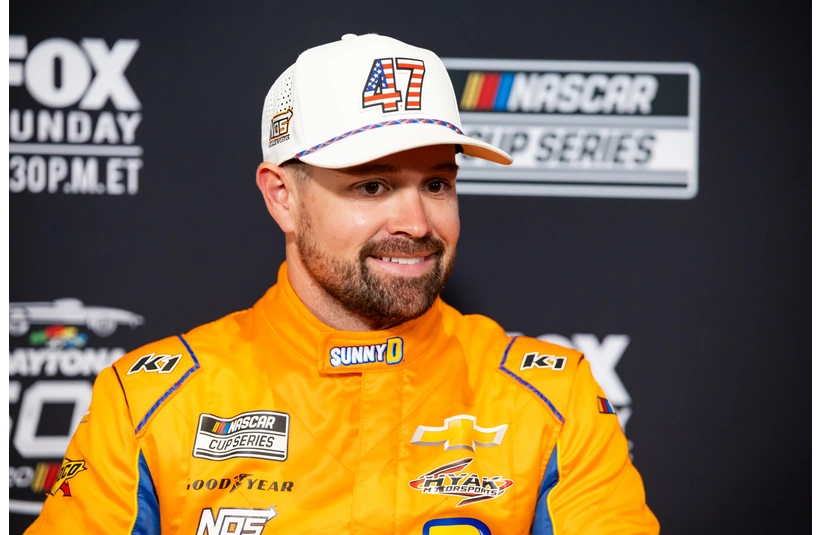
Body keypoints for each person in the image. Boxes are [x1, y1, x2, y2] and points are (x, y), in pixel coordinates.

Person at [25, 33, 659, 535]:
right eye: (372, 186)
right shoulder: (146, 403)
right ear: (282, 198)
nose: (416, 222)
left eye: (437, 183)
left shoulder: (556, 398)